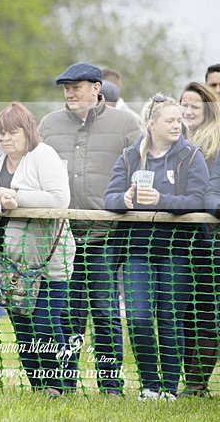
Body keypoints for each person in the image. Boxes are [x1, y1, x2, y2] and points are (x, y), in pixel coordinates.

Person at [38, 62, 140, 396]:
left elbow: (144, 165)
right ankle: (65, 382)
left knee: (106, 311)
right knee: (68, 312)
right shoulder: (49, 124)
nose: (69, 93)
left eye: (76, 86)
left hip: (104, 237)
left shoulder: (126, 124)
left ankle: (111, 385)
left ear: (97, 88)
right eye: (65, 88)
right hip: (62, 236)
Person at [104, 94, 209, 401]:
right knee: (137, 316)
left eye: (179, 120)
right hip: (137, 250)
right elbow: (109, 198)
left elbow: (198, 200)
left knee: (170, 318)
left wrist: (162, 202)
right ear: (151, 124)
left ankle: (168, 389)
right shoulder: (129, 156)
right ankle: (149, 384)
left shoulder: (191, 156)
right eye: (170, 120)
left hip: (179, 251)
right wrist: (124, 201)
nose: (178, 124)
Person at [0, 103, 77, 397]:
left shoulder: (44, 155)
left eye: (12, 132)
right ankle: (40, 387)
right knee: (22, 325)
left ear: (27, 131)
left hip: (49, 260)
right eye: (1, 133)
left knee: (45, 324)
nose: (5, 139)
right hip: (9, 260)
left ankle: (61, 384)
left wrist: (17, 197)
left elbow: (58, 199)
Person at [177, 82, 220, 396]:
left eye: (195, 106)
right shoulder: (169, 138)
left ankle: (196, 384)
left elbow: (212, 190)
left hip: (210, 237)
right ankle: (187, 381)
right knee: (182, 311)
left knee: (206, 309)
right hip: (176, 238)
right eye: (184, 104)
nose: (188, 111)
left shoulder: (216, 141)